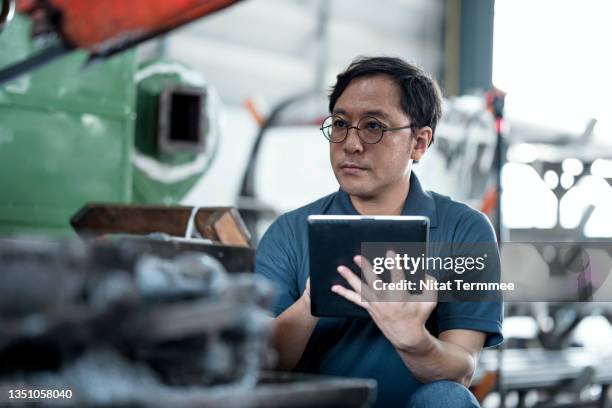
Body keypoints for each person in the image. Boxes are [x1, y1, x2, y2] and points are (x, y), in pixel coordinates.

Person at [255, 56, 503, 408]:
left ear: (419, 142)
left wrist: (414, 341)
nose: (351, 144)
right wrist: (312, 302)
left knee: (446, 398)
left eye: (374, 127)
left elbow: (462, 369)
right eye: (340, 124)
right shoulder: (290, 232)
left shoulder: (465, 230)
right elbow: (261, 363)